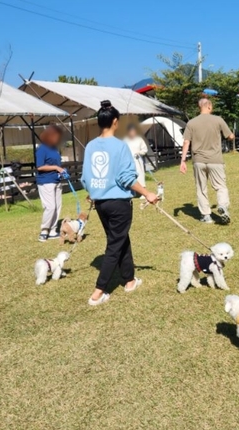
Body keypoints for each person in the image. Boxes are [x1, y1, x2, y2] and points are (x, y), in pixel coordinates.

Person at [81, 100, 158, 306]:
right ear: (115, 121)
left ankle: (130, 280)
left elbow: (85, 177)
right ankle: (98, 291)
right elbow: (126, 178)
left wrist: (92, 191)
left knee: (120, 239)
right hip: (118, 203)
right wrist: (147, 193)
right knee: (114, 245)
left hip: (101, 204)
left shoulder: (90, 146)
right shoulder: (119, 146)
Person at [180, 98, 235, 224]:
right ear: (209, 106)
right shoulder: (218, 120)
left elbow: (186, 142)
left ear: (200, 107)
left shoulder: (191, 123)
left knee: (201, 188)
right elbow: (230, 136)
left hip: (198, 160)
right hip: (215, 160)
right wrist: (232, 136)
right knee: (220, 186)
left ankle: (206, 215)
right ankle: (223, 205)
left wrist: (183, 161)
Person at [35, 124, 65, 242]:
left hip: (56, 180)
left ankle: (52, 230)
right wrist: (56, 168)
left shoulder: (55, 149)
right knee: (50, 207)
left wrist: (61, 171)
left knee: (57, 206)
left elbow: (57, 164)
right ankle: (44, 230)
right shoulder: (42, 149)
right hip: (45, 181)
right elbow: (40, 167)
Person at [123, 124, 149, 190]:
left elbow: (145, 149)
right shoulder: (125, 140)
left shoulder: (139, 139)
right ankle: (132, 190)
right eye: (131, 131)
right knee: (130, 176)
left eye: (133, 131)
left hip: (138, 161)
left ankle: (143, 190)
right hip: (128, 161)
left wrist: (139, 153)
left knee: (140, 175)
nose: (132, 133)